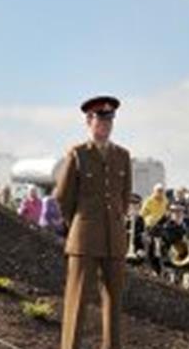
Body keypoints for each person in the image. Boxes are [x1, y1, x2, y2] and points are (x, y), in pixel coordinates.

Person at [55, 95, 132, 349]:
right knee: (77, 303)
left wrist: (117, 224)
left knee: (114, 305)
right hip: (85, 239)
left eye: (110, 120)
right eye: (101, 119)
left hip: (115, 240)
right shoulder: (77, 154)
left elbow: (124, 198)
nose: (106, 125)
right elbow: (63, 197)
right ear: (89, 121)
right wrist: (78, 224)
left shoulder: (122, 155)